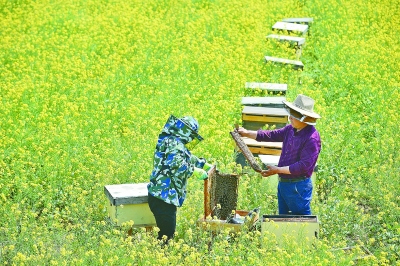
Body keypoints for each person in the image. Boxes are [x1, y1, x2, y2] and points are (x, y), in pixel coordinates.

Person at [237, 94, 321, 215]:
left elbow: (303, 166)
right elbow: (270, 135)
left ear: (305, 118)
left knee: (302, 222)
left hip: (298, 187)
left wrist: (277, 170)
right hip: (283, 184)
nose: (290, 117)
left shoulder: (311, 139)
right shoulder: (290, 129)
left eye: (294, 114)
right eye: (291, 112)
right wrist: (246, 133)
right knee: (283, 220)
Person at [147, 115, 212, 242]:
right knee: (166, 235)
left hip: (163, 197)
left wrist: (201, 163)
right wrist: (194, 171)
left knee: (166, 233)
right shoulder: (173, 143)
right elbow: (177, 165)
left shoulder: (173, 141)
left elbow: (186, 156)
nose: (191, 139)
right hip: (163, 198)